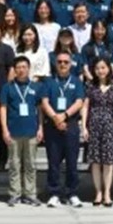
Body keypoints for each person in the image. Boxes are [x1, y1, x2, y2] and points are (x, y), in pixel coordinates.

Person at [40, 49, 85, 208]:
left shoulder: (76, 81)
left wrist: (64, 115)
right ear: (55, 63)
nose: (62, 64)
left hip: (70, 124)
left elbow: (79, 102)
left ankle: (72, 193)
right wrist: (55, 118)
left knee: (72, 162)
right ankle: (54, 193)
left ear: (71, 64)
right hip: (52, 126)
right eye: (59, 62)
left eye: (66, 62)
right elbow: (44, 102)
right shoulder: (49, 81)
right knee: (53, 162)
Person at [0, 56, 41, 206]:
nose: (21, 70)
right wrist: (4, 129)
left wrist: (41, 128)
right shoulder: (8, 87)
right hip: (13, 132)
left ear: (29, 68)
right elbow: (3, 109)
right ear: (14, 70)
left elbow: (40, 109)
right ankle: (14, 194)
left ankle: (30, 194)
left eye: (24, 67)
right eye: (18, 67)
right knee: (14, 164)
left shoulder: (36, 87)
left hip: (31, 131)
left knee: (31, 165)